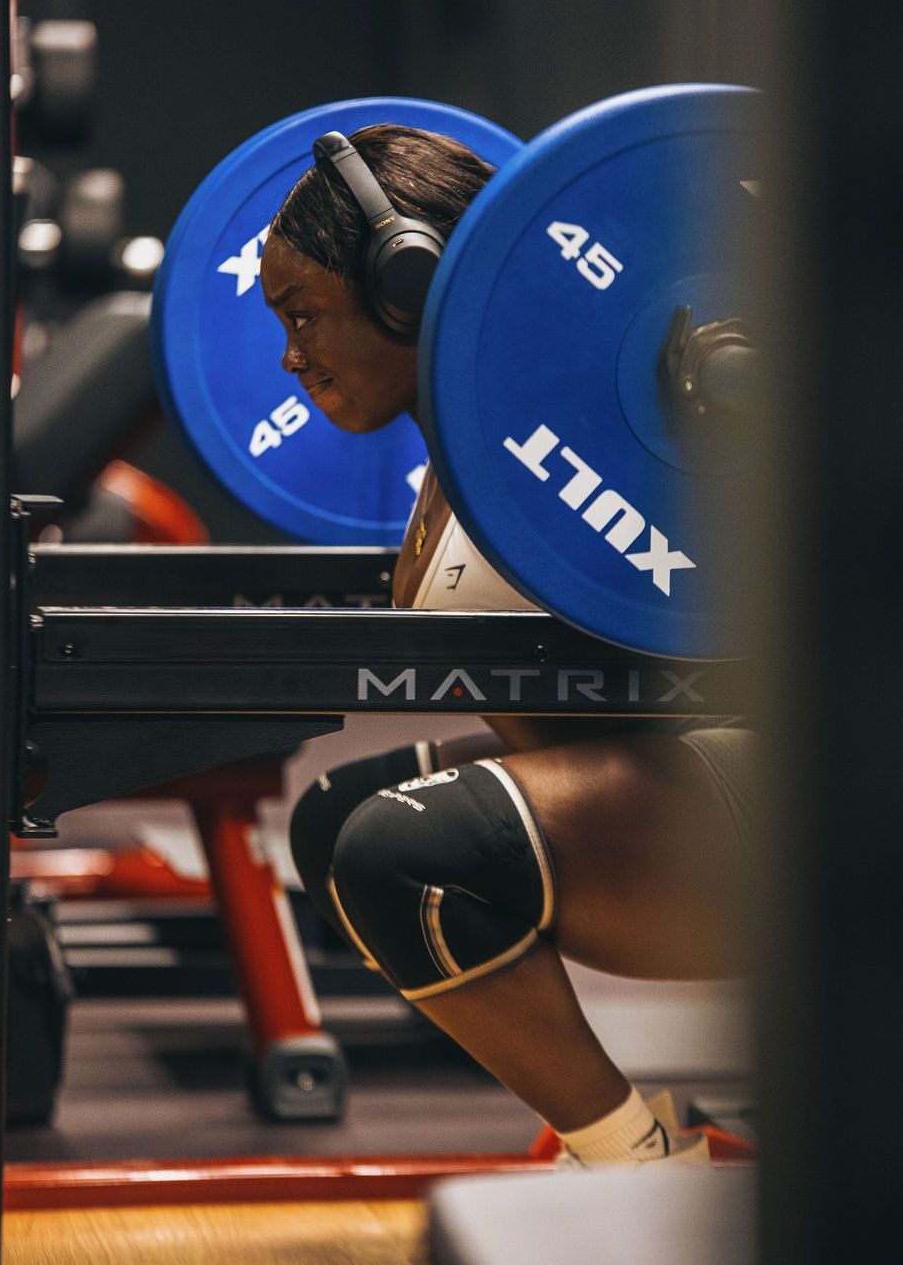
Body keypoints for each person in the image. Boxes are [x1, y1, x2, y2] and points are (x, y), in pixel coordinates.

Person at [260, 123, 752, 1168]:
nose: (290, 355)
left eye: (304, 315)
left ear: (408, 286)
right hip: (675, 777)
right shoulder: (476, 435)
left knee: (402, 851)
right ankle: (635, 1122)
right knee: (336, 819)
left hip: (782, 803)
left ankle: (641, 1162)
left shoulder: (600, 422)